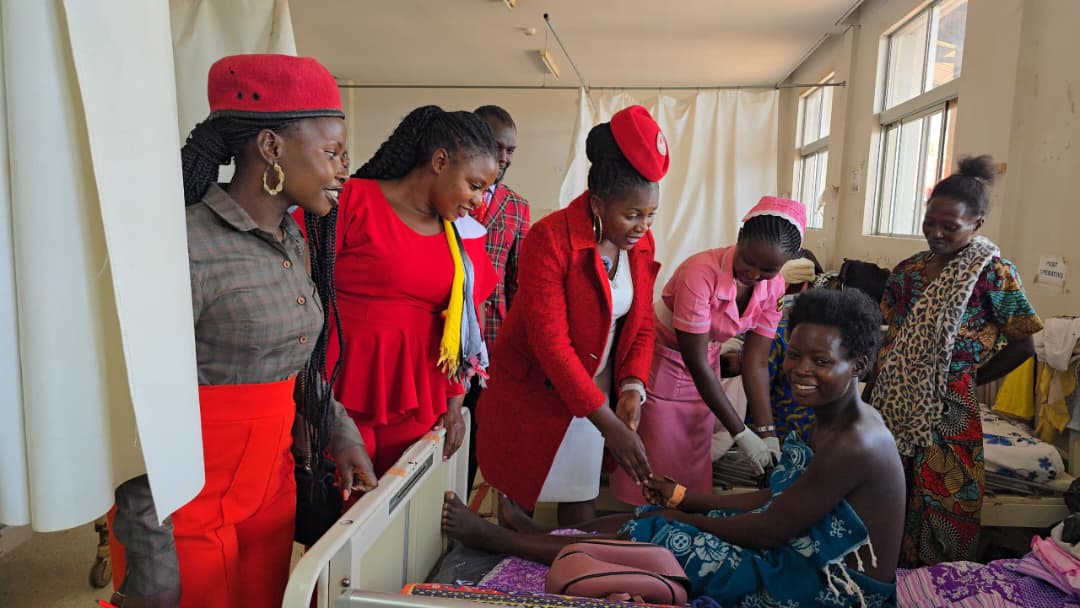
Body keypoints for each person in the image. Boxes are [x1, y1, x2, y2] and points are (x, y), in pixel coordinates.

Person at [107, 54, 377, 608]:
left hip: (269, 498)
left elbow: (296, 361)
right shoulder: (182, 247)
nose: (343, 170)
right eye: (331, 153)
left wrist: (338, 431)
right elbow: (131, 414)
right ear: (271, 149)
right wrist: (148, 560)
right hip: (182, 510)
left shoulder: (292, 239)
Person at [444, 288, 905, 606]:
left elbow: (770, 529)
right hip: (802, 547)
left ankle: (500, 540)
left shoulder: (855, 442)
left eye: (821, 361)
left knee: (664, 536)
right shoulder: (830, 416)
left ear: (859, 365)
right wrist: (685, 498)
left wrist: (683, 518)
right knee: (654, 517)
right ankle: (541, 537)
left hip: (830, 587)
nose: (801, 370)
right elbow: (781, 499)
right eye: (797, 355)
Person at [476, 105, 668, 525]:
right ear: (598, 204)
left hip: (593, 399)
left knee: (579, 502)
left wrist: (633, 387)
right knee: (517, 503)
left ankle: (569, 581)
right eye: (632, 215)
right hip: (536, 395)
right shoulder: (551, 239)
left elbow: (640, 326)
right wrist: (610, 426)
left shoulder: (640, 246)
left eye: (650, 215)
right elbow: (551, 344)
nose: (642, 227)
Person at [866, 155, 1043, 567]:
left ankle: (934, 582)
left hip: (950, 409)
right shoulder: (908, 272)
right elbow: (889, 341)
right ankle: (880, 575)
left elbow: (1024, 347)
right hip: (893, 398)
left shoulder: (993, 274)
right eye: (930, 223)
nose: (937, 233)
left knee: (944, 499)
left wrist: (965, 379)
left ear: (977, 224)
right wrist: (868, 401)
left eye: (951, 226)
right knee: (885, 489)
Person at [321, 105, 499, 477]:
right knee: (342, 513)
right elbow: (299, 289)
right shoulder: (352, 200)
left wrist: (455, 403)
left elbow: (461, 321)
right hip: (339, 390)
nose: (479, 201)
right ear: (439, 161)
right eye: (474, 184)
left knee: (397, 513)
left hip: (415, 398)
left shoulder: (455, 234)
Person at [610, 197, 806, 505]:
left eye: (768, 268)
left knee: (691, 467)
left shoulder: (775, 287)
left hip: (705, 371)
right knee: (656, 470)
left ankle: (681, 540)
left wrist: (768, 434)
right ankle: (639, 539)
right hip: (661, 363)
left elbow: (755, 362)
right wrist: (741, 434)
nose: (754, 275)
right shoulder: (699, 273)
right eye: (748, 261)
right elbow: (694, 360)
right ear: (740, 238)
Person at [462, 105, 531, 494]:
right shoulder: (447, 195)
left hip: (492, 343)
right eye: (497, 147)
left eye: (511, 151)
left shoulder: (517, 207)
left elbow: (518, 283)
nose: (504, 158)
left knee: (479, 434)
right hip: (445, 338)